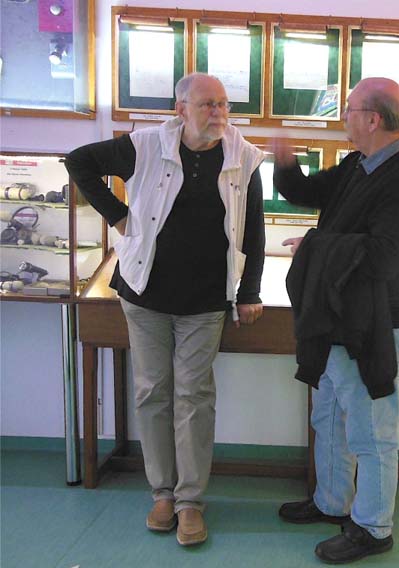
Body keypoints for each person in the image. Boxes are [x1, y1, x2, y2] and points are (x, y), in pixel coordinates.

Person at [65, 73, 265, 546]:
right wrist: (117, 215)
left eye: (223, 104)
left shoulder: (244, 157)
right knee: (152, 392)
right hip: (145, 294)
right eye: (207, 104)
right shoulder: (145, 145)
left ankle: (190, 501)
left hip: (206, 299)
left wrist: (250, 291)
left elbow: (251, 229)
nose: (218, 113)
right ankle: (162, 493)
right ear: (181, 109)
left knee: (194, 396)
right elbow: (78, 161)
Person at [273, 77, 399, 564]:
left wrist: (315, 247)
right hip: (337, 309)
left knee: (370, 427)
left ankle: (373, 527)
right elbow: (304, 191)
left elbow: (384, 257)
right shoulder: (359, 164)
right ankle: (332, 502)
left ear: (373, 119)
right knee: (328, 414)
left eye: (349, 110)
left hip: (373, 321)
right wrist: (284, 157)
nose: (343, 117)